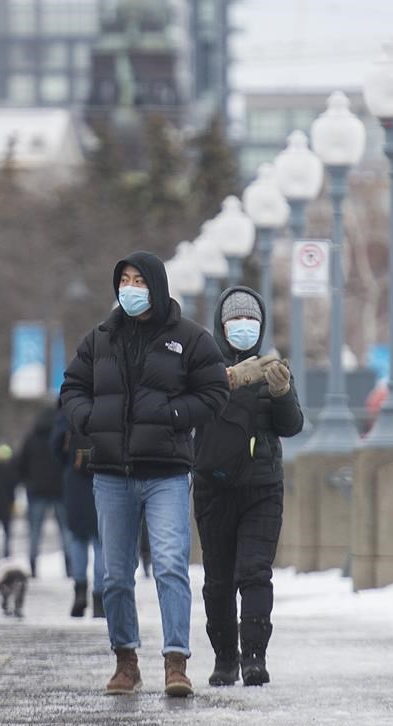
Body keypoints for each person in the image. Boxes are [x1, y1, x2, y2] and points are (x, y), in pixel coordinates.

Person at [60, 250, 230, 697]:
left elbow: (214, 392)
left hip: (167, 472)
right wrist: (89, 419)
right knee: (114, 575)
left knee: (171, 564)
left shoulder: (189, 339)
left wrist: (175, 413)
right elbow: (72, 387)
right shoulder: (99, 339)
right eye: (124, 280)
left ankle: (176, 661)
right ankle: (126, 661)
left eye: (139, 280)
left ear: (156, 285)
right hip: (112, 472)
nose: (130, 288)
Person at [192, 287, 304, 687]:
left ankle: (255, 657)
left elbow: (291, 426)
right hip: (214, 488)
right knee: (218, 577)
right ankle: (225, 658)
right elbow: (190, 414)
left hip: (262, 488)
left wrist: (281, 392)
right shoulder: (202, 368)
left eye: (251, 321)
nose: (244, 327)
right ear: (222, 327)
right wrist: (225, 382)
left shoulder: (273, 366)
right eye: (235, 320)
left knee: (255, 572)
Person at [50, 402, 105, 618]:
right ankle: (99, 597)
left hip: (74, 480)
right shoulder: (106, 396)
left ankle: (79, 590)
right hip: (103, 476)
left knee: (77, 538)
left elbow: (55, 444)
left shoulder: (68, 405)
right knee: (101, 540)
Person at [16, 404, 70, 578]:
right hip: (60, 489)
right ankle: (69, 566)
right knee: (65, 530)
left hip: (36, 490)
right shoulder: (61, 436)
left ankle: (33, 565)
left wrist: (28, 481)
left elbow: (20, 463)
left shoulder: (31, 438)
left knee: (35, 531)